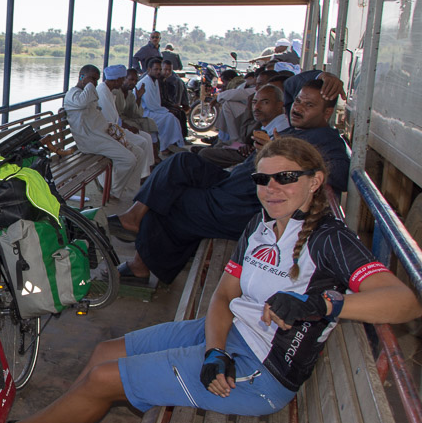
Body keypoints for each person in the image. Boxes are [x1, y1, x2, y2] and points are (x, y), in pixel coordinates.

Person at [0, 137, 420, 423]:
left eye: (287, 178)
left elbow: (404, 301)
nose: (272, 189)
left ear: (315, 181)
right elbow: (223, 298)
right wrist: (214, 350)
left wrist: (321, 305)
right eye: (263, 180)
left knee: (106, 380)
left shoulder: (327, 238)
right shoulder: (260, 227)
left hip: (261, 373)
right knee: (106, 352)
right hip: (229, 340)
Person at [108, 79, 350, 285]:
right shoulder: (300, 127)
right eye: (298, 101)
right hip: (232, 183)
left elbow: (339, 174)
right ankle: (134, 216)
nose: (298, 108)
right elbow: (292, 84)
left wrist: (281, 156)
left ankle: (140, 265)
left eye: (309, 105)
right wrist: (323, 76)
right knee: (182, 161)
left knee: (169, 202)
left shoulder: (328, 143)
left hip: (243, 205)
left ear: (327, 113)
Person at [63, 64, 151, 200]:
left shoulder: (88, 92)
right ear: (81, 77)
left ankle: (132, 191)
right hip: (90, 141)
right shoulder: (73, 94)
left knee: (138, 153)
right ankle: (114, 192)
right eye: (92, 78)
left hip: (103, 134)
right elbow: (81, 103)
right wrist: (90, 85)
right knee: (129, 159)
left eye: (96, 80)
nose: (94, 82)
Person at [199, 85, 289, 168]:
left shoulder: (282, 130)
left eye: (265, 102)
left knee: (202, 155)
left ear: (279, 105)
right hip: (247, 158)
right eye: (254, 102)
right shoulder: (266, 125)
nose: (256, 107)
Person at [99, 64, 154, 179]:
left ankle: (143, 174)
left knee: (145, 139)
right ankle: (137, 176)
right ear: (118, 80)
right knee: (140, 145)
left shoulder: (111, 91)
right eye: (125, 79)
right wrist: (126, 128)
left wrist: (138, 97)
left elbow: (132, 114)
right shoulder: (105, 91)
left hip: (116, 127)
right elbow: (110, 120)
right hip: (109, 132)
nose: (124, 82)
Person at [137, 58, 186, 154]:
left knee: (172, 117)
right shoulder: (145, 82)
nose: (158, 72)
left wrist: (166, 110)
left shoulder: (155, 81)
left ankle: (166, 144)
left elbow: (157, 102)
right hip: (145, 112)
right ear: (149, 69)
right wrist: (165, 111)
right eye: (156, 69)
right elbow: (151, 105)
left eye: (160, 69)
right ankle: (164, 146)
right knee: (169, 118)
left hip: (153, 110)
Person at [160, 59, 190, 140]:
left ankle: (181, 138)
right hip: (159, 107)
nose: (167, 72)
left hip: (167, 104)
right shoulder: (158, 81)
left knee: (181, 113)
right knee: (175, 114)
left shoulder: (171, 80)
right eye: (165, 69)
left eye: (169, 70)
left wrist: (174, 105)